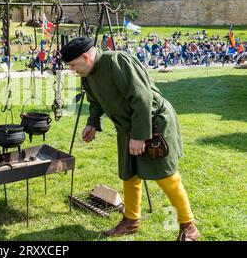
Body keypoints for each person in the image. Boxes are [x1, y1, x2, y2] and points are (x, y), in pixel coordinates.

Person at [60, 37, 201, 241]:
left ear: (85, 57)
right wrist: (92, 123)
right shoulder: (87, 75)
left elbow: (142, 97)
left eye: (73, 65)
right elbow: (95, 102)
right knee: (130, 174)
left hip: (153, 123)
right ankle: (131, 221)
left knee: (165, 175)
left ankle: (189, 226)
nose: (72, 70)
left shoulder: (117, 61)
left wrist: (139, 135)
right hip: (127, 129)